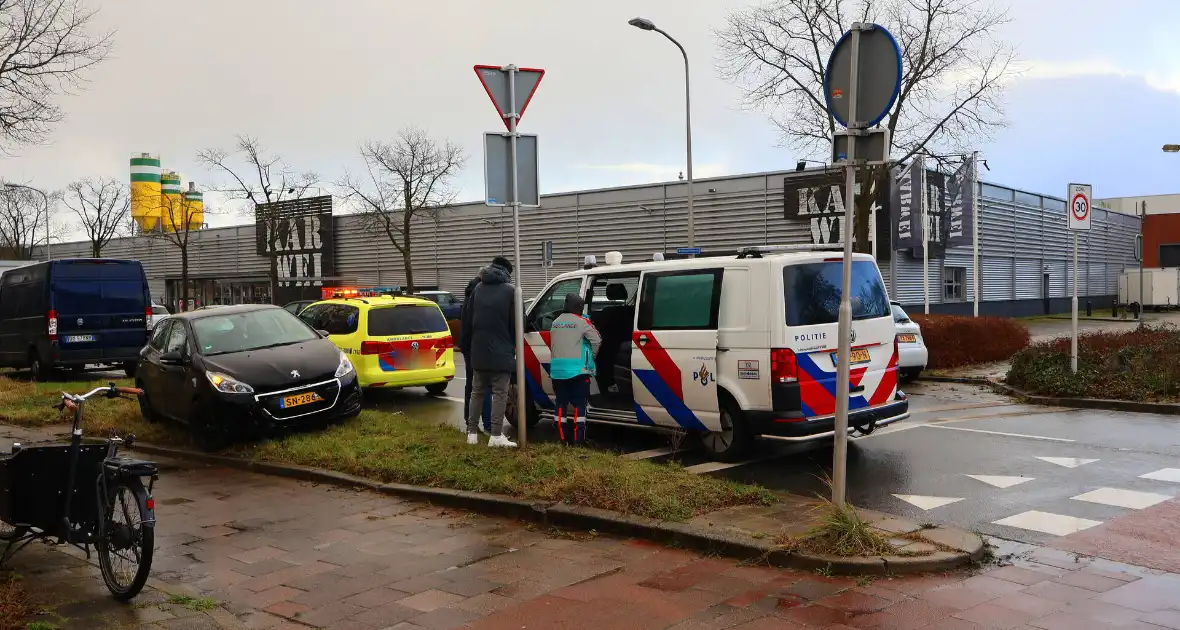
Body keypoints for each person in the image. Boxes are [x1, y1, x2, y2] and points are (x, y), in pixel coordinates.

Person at [464, 256, 518, 447]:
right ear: (507, 273)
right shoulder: (511, 291)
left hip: (478, 351)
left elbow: (469, 319)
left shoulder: (478, 288)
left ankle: (471, 434)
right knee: (500, 393)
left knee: (477, 391)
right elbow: (518, 324)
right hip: (501, 351)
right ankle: (496, 435)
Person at [547, 292, 601, 445]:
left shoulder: (555, 322)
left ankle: (562, 439)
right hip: (578, 372)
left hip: (557, 372)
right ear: (578, 307)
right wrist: (591, 357)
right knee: (579, 406)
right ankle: (578, 441)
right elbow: (597, 340)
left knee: (560, 406)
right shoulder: (582, 322)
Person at [459, 267, 494, 435]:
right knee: (484, 385)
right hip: (477, 345)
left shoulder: (469, 293)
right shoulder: (479, 294)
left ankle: (470, 422)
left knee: (472, 386)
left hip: (468, 345)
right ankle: (487, 425)